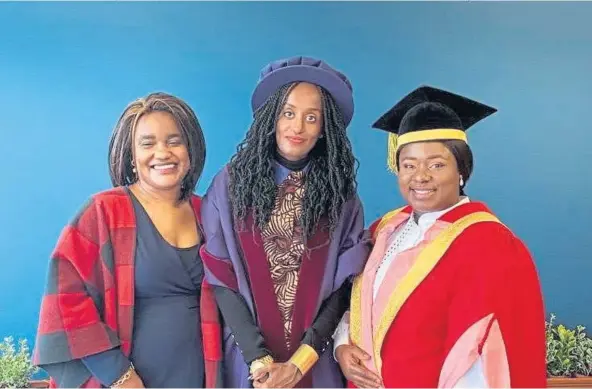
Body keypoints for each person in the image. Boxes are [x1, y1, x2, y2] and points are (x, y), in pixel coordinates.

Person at [333, 85, 547, 388]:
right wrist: (343, 345)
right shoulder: (385, 229)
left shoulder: (489, 244)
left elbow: (490, 354)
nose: (420, 176)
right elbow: (351, 301)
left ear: (462, 170)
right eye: (409, 165)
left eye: (436, 164)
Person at [200, 56, 370, 388]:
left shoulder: (342, 199)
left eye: (312, 118)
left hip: (313, 363)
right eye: (288, 113)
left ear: (325, 129)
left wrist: (300, 363)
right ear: (271, 116)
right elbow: (221, 277)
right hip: (248, 360)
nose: (297, 127)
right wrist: (257, 358)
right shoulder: (231, 185)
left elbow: (342, 290)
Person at [33, 92, 223, 388]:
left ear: (191, 150)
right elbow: (65, 301)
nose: (163, 153)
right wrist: (119, 376)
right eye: (148, 143)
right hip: (124, 381)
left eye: (174, 141)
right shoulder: (103, 212)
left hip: (201, 376)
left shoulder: (210, 213)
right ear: (131, 157)